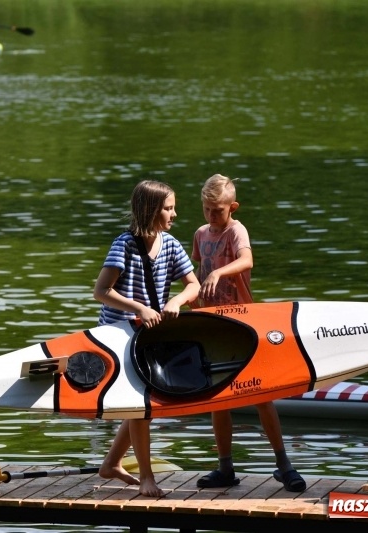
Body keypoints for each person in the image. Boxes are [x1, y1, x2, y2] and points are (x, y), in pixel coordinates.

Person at [190, 173, 306, 492]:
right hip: (212, 325)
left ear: (233, 207)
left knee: (261, 395)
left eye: (218, 210)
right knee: (218, 400)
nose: (212, 216)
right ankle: (225, 469)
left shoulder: (236, 230)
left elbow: (247, 259)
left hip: (243, 323)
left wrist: (219, 271)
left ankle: (284, 465)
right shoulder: (200, 234)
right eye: (207, 209)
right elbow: (195, 275)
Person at [94, 180, 201, 497]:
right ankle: (146, 479)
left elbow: (193, 284)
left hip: (149, 335)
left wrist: (177, 301)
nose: (174, 214)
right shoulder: (123, 244)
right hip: (119, 334)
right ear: (152, 211)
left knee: (142, 406)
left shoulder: (170, 245)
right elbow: (102, 292)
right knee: (141, 406)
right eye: (168, 208)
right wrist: (140, 307)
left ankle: (111, 464)